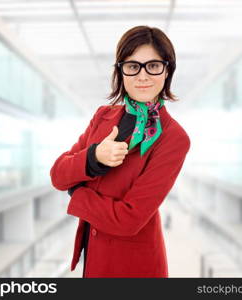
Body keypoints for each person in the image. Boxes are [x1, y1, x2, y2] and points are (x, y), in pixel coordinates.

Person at [50, 25, 191, 278]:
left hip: (134, 267)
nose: (143, 76)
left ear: (167, 70)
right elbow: (58, 174)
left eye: (154, 65)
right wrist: (93, 158)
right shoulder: (103, 116)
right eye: (132, 66)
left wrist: (77, 192)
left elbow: (129, 219)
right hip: (93, 259)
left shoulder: (173, 137)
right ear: (121, 71)